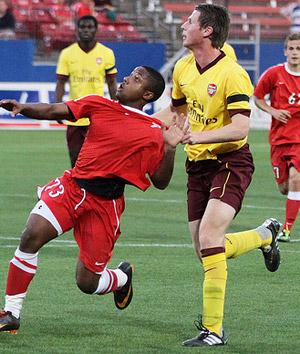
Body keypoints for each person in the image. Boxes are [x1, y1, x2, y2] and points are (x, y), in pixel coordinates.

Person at [0, 66, 187, 334]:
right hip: (72, 188)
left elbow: (161, 182)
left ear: (147, 94)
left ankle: (121, 278)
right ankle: (11, 313)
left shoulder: (155, 131)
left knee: (87, 282)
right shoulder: (99, 104)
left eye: (135, 78)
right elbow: (55, 110)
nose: (125, 79)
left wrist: (169, 149)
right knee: (31, 235)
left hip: (105, 205)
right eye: (129, 74)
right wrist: (22, 107)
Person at [155, 4, 281, 346]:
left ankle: (213, 330)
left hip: (230, 161)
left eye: (191, 20)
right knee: (204, 250)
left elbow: (240, 128)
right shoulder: (183, 67)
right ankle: (264, 235)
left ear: (207, 30)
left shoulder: (233, 74)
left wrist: (198, 135)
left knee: (210, 239)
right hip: (196, 166)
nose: (184, 24)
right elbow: (177, 111)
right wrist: (140, 121)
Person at [254, 32, 300, 242]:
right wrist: (273, 111)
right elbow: (257, 97)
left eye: (298, 49)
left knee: (295, 179)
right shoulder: (274, 74)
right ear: (285, 51)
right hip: (279, 139)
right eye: (291, 48)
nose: (295, 53)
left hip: (298, 140)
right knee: (284, 187)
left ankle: (287, 228)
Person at [55, 15, 118, 167]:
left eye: (90, 27)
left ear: (96, 30)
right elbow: (61, 83)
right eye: (82, 27)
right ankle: (77, 190)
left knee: (98, 160)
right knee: (75, 161)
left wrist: (117, 107)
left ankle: (94, 190)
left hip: (97, 116)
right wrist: (57, 107)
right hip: (74, 115)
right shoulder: (67, 53)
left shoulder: (107, 53)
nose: (86, 30)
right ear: (77, 30)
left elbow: (111, 82)